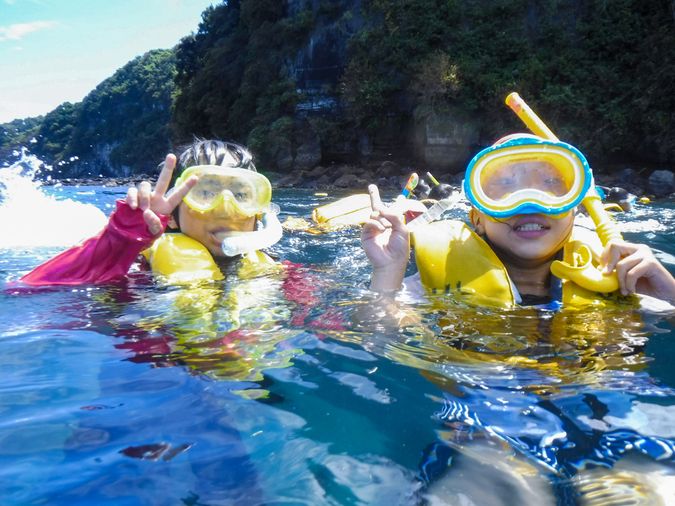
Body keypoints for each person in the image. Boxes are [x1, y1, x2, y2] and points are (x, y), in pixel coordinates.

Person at [361, 134, 675, 307]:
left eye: (551, 184)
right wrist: (388, 272)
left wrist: (668, 293)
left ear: (576, 209)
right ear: (478, 219)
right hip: (482, 405)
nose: (528, 204)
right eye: (503, 187)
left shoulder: (620, 278)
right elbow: (378, 338)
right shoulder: (438, 280)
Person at [20, 139, 283, 286]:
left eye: (241, 195)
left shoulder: (278, 273)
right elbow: (31, 287)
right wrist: (121, 239)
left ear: (258, 210)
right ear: (172, 213)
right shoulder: (137, 272)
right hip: (150, 375)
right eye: (205, 192)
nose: (226, 209)